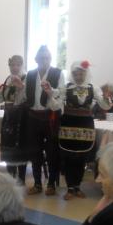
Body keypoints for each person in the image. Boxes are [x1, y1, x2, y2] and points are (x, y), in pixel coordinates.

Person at [43, 60, 111, 200]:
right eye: (76, 74)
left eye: (81, 74)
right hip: (69, 124)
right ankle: (70, 188)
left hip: (85, 126)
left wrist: (106, 98)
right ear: (72, 74)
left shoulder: (93, 88)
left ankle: (77, 187)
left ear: (86, 74)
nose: (78, 77)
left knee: (81, 158)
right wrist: (50, 94)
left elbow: (105, 106)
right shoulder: (67, 88)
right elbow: (56, 106)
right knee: (68, 157)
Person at [24, 45, 63, 195]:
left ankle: (51, 184)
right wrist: (20, 88)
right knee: (35, 152)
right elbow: (25, 95)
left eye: (47, 58)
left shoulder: (58, 73)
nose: (44, 60)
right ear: (36, 59)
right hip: (33, 117)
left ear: (50, 59)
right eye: (41, 58)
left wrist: (51, 91)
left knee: (52, 151)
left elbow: (61, 93)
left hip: (50, 117)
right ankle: (37, 184)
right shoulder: (30, 74)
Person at [0, 55, 29, 184]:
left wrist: (21, 87)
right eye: (12, 65)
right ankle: (10, 176)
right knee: (8, 146)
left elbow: (27, 99)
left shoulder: (26, 78)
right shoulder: (8, 79)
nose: (15, 67)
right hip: (8, 116)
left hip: (21, 117)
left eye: (18, 65)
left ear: (22, 65)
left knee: (20, 147)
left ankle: (21, 178)